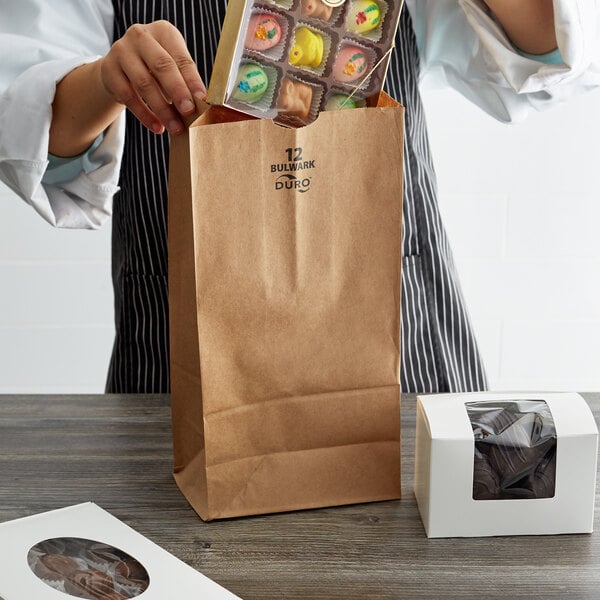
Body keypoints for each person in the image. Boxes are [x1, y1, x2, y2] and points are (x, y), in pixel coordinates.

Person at [0, 1, 598, 394]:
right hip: (188, 338)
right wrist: (108, 77)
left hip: (402, 327)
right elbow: (34, 124)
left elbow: (543, 52)